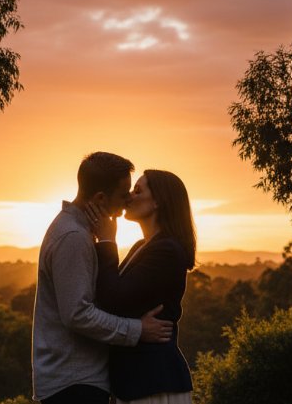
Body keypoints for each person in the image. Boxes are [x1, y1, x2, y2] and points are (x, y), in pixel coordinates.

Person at [32, 152, 174, 404]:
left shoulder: (79, 232)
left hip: (76, 380)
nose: (129, 198)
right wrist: (137, 330)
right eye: (123, 194)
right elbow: (77, 314)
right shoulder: (74, 237)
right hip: (74, 384)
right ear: (99, 198)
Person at [86, 169, 196, 404]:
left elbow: (112, 299)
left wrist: (107, 241)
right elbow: (108, 290)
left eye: (138, 190)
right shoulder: (141, 246)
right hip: (135, 382)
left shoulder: (167, 250)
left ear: (158, 202)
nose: (129, 197)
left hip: (154, 382)